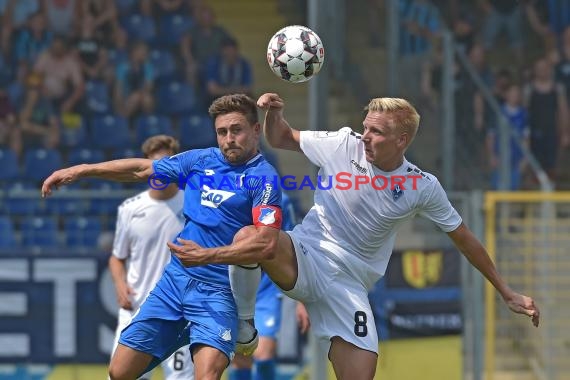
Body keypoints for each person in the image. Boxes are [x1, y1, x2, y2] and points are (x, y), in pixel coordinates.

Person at [168, 92, 541, 380]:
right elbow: (280, 137)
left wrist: (505, 290)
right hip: (306, 254)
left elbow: (464, 239)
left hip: (349, 284)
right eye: (366, 126)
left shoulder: (422, 185)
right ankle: (245, 324)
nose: (366, 136)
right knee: (253, 233)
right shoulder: (343, 143)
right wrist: (274, 113)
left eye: (377, 132)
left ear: (402, 139)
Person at [41, 94, 283, 380]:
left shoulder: (264, 177)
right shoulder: (200, 160)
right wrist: (82, 170)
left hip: (219, 292)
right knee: (119, 372)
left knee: (206, 376)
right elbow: (142, 168)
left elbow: (266, 244)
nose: (229, 138)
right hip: (175, 284)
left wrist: (206, 256)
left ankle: (243, 319)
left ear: (255, 130)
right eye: (222, 132)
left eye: (236, 129)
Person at [109, 135, 194, 380]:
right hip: (136, 310)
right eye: (156, 163)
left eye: (168, 162)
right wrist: (120, 285)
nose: (162, 169)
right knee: (123, 375)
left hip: (179, 311)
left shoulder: (193, 203)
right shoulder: (130, 209)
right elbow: (117, 257)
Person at [230, 193, 310, 380]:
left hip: (267, 289)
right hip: (234, 287)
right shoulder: (228, 195)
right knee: (241, 356)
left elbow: (293, 249)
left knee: (263, 353)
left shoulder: (281, 199)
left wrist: (302, 300)